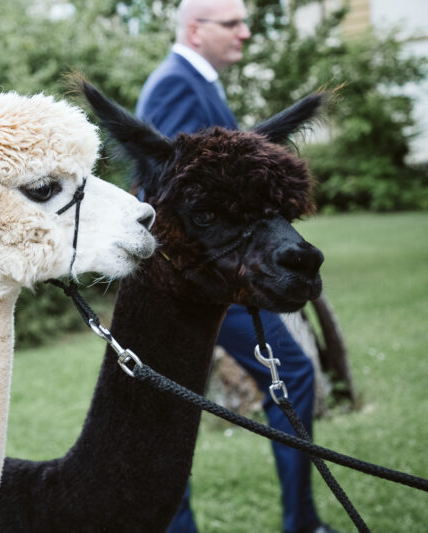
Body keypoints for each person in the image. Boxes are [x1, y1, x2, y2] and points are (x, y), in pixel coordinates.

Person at [136, 2, 338, 533]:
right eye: (233, 22)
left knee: (182, 400)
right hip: (195, 284)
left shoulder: (201, 83)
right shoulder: (176, 84)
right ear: (195, 29)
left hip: (220, 278)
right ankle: (300, 523)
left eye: (245, 21)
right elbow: (179, 199)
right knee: (179, 402)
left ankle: (302, 520)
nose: (245, 32)